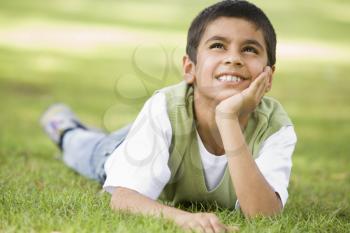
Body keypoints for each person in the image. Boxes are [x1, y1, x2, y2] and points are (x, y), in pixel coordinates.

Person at [40, 1, 297, 232]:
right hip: (129, 143)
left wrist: (227, 118)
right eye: (218, 45)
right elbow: (123, 198)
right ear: (190, 68)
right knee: (87, 148)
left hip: (161, 137)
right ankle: (64, 127)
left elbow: (263, 215)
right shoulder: (164, 107)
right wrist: (182, 219)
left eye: (250, 49)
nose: (234, 58)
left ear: (269, 75)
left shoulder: (275, 127)